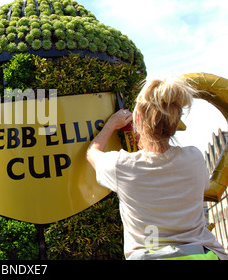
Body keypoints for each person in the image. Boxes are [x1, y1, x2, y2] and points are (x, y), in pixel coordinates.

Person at [86, 77, 228, 260]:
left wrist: (111, 124)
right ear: (175, 123)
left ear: (138, 118)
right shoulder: (195, 158)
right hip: (202, 253)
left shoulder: (122, 166)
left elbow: (92, 152)